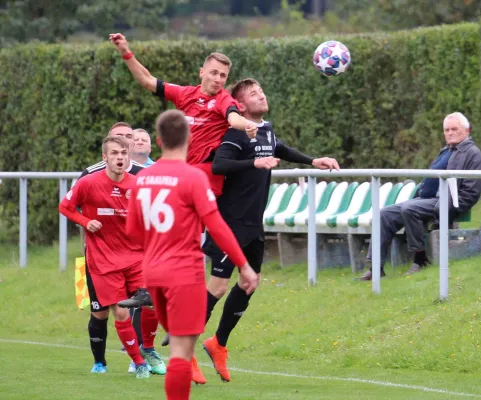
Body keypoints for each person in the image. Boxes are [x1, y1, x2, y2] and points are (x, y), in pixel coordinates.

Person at [200, 78, 339, 382]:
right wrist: (255, 163)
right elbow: (220, 165)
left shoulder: (266, 129)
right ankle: (184, 349)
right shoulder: (236, 133)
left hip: (253, 223)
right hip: (230, 223)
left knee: (250, 284)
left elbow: (280, 148)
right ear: (240, 105)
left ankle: (218, 344)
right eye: (253, 94)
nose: (261, 95)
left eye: (261, 90)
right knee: (219, 286)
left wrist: (312, 161)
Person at [126, 109, 258, 398]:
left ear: (159, 142)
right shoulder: (193, 178)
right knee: (181, 354)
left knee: (177, 351)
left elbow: (134, 233)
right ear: (190, 138)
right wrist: (244, 266)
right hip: (183, 274)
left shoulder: (141, 180)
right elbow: (218, 228)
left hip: (153, 274)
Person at [60, 136, 166, 378]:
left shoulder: (138, 184)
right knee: (120, 312)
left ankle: (147, 349)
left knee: (152, 301)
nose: (120, 157)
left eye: (123, 153)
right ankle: (138, 363)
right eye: (115, 153)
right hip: (104, 260)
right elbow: (65, 207)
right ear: (104, 157)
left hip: (136, 256)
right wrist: (86, 221)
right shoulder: (88, 183)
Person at [108, 33, 258, 196]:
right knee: (141, 191)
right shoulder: (185, 94)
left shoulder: (224, 100)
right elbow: (147, 80)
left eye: (223, 76)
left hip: (204, 175)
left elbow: (234, 119)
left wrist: (247, 125)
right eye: (213, 73)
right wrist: (125, 52)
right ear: (202, 72)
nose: (218, 79)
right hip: (179, 170)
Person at [356, 112, 481, 280]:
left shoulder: (473, 154)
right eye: (446, 130)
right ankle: (375, 268)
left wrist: (446, 206)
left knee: (410, 209)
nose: (450, 133)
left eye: (454, 129)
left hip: (446, 202)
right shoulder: (446, 151)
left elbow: (471, 193)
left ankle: (420, 259)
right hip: (426, 199)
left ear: (467, 131)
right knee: (385, 214)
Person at [75, 122, 151, 374]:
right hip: (100, 257)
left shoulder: (143, 175)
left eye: (129, 138)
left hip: (136, 256)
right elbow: (74, 208)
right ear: (108, 147)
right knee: (100, 312)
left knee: (141, 303)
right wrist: (90, 226)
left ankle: (139, 358)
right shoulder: (89, 175)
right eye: (118, 139)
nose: (125, 143)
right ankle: (99, 362)